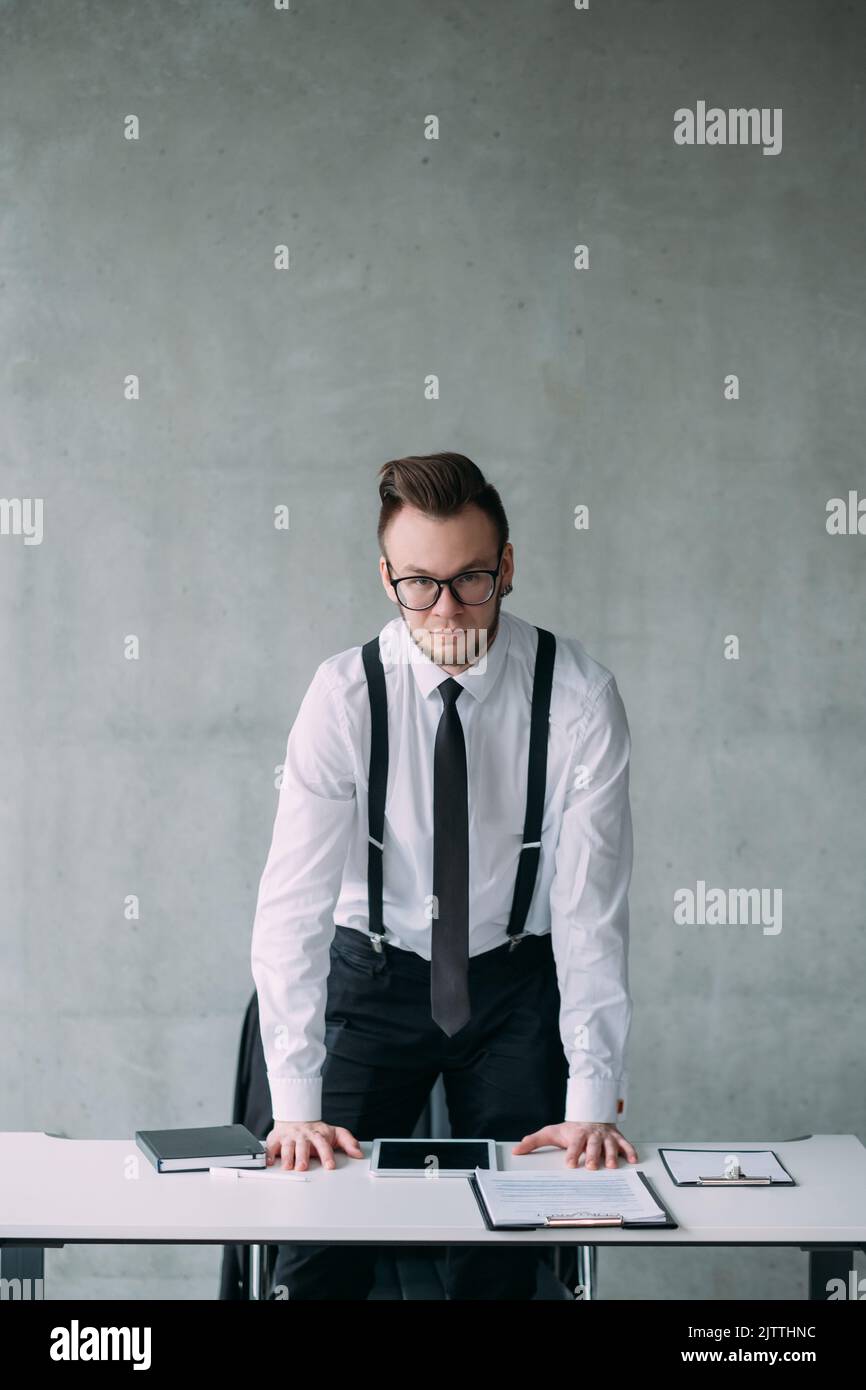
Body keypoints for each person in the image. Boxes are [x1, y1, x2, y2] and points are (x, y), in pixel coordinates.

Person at [250, 452, 637, 1300]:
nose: (448, 610)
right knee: (316, 1247)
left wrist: (591, 1096)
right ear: (386, 577)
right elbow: (293, 909)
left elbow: (590, 914)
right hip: (371, 977)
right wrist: (294, 1101)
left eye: (470, 580)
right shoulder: (345, 696)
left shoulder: (577, 698)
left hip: (513, 988)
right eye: (419, 584)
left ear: (508, 566)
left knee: (512, 1251)